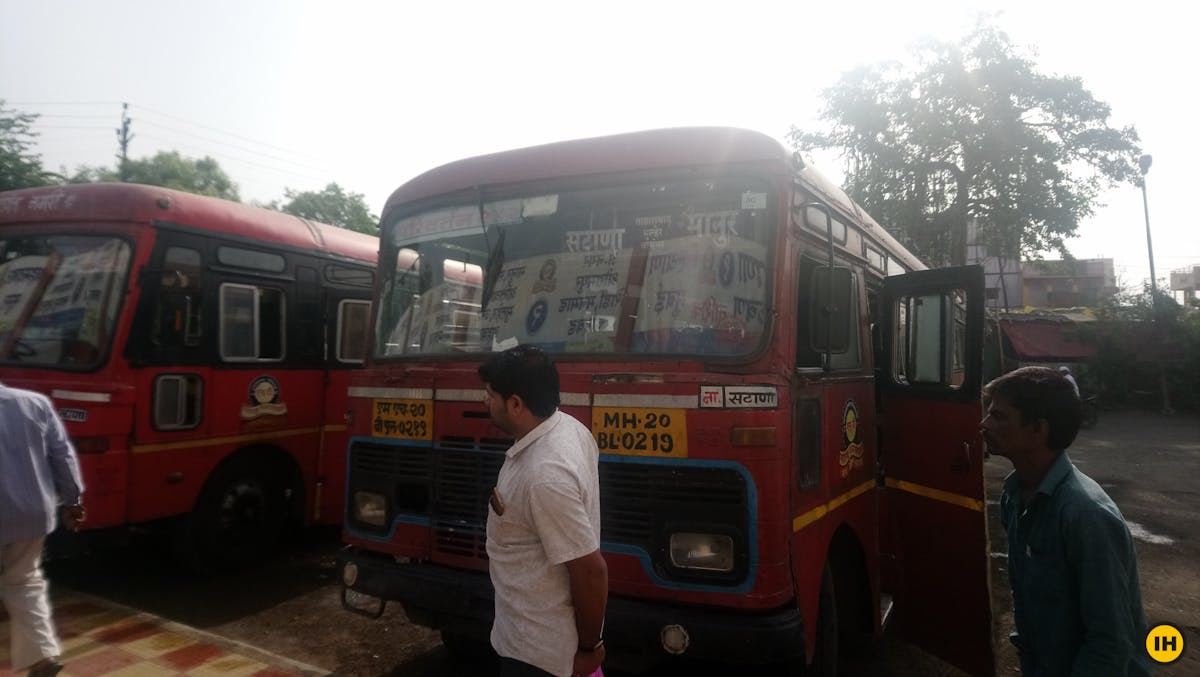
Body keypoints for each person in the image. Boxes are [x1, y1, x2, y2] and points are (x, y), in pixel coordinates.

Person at [981, 366, 1151, 676]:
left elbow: (1111, 643)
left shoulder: (1086, 515)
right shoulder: (1013, 495)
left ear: (1038, 430)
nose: (985, 424)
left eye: (999, 417)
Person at [479, 346, 607, 677]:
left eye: (491, 395)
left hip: (540, 656)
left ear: (516, 404)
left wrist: (589, 648)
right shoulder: (568, 427)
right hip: (533, 641)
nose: (485, 402)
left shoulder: (544, 476)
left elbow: (591, 571)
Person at [1, 382, 85, 677]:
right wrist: (73, 501)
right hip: (32, 514)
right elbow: (62, 455)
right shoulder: (34, 403)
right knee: (24, 582)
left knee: (21, 582)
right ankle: (42, 658)